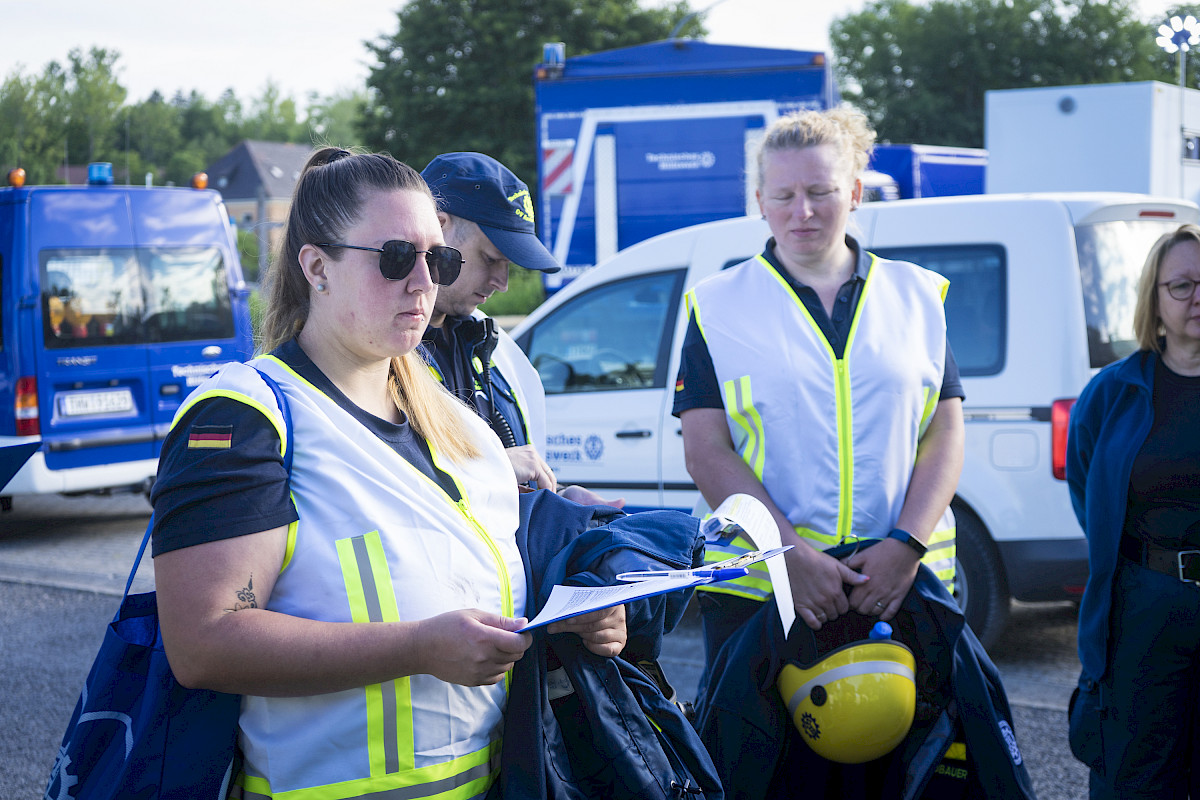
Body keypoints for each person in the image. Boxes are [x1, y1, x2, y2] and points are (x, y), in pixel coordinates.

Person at [149, 147, 625, 800]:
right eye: (397, 258)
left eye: (439, 259)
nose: (424, 282)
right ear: (316, 266)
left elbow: (469, 581)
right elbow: (204, 645)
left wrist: (565, 615)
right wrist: (417, 648)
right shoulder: (246, 418)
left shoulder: (457, 422)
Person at [672, 106, 966, 667]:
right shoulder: (717, 305)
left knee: (914, 755)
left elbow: (945, 432)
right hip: (762, 590)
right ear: (760, 202)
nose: (801, 211)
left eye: (821, 191)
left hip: (898, 582)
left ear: (854, 192)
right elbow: (706, 450)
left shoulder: (916, 295)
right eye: (782, 195)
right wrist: (789, 556)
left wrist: (905, 547)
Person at [1066, 223, 1200, 799]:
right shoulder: (1114, 391)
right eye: (1182, 285)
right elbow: (1086, 485)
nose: (1198, 298)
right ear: (1154, 298)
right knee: (1138, 777)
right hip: (1145, 604)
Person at [420, 151, 623, 507]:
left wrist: (559, 501)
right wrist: (493, 468)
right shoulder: (374, 355)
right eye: (492, 259)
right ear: (439, 229)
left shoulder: (501, 354)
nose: (502, 282)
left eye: (509, 264)